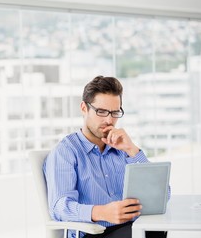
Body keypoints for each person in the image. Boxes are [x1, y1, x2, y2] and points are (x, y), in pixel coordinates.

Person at [43, 76, 167, 238]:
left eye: (115, 112)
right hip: (93, 233)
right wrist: (101, 212)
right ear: (84, 108)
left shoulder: (122, 148)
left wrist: (132, 149)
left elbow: (163, 195)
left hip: (130, 228)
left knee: (156, 230)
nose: (109, 120)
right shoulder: (65, 152)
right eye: (101, 111)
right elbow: (59, 208)